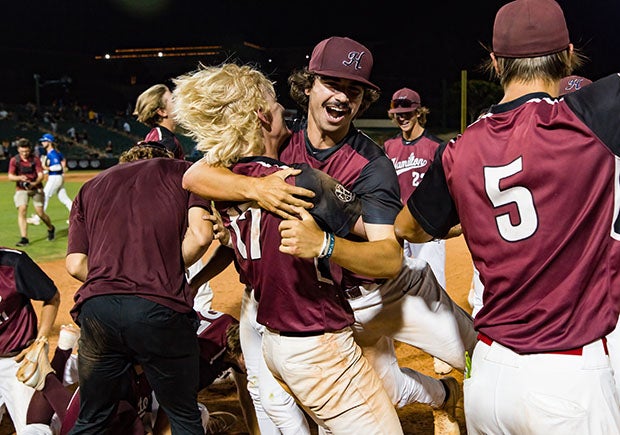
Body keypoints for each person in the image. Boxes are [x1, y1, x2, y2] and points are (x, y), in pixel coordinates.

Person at [181, 38, 475, 433]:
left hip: (387, 292)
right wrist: (257, 191)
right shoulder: (277, 146)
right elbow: (195, 174)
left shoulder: (373, 164)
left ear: (362, 101)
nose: (341, 97)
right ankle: (444, 396)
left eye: (353, 90)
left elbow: (387, 257)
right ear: (308, 86)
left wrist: (325, 242)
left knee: (477, 355)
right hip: (329, 307)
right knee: (386, 390)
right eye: (331, 84)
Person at [394, 0, 620, 433]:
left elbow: (408, 227)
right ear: (569, 54)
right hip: (565, 380)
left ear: (495, 62)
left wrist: (474, 206)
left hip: (488, 378)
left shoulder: (460, 149)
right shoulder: (592, 117)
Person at [174, 62, 404, 434]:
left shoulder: (224, 182)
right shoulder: (300, 180)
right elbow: (390, 255)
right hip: (317, 341)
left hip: (275, 341)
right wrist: (327, 242)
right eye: (276, 104)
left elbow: (193, 175)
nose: (284, 109)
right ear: (261, 116)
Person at [65, 141, 214, 434]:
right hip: (158, 308)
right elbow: (200, 236)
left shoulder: (91, 186)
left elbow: (74, 264)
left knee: (91, 419)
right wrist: (158, 269)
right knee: (183, 416)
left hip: (97, 310)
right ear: (166, 158)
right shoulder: (187, 173)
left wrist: (116, 275)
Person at [383, 87, 460, 376]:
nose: (402, 118)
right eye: (397, 113)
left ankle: (443, 348)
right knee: (392, 285)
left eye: (407, 112)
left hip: (427, 229)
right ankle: (387, 344)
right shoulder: (389, 148)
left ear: (418, 111)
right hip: (399, 229)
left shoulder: (435, 147)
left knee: (434, 289)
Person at [0, 246, 60, 433]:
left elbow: (52, 296)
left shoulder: (13, 263)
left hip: (17, 363)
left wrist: (40, 339)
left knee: (34, 429)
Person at [7, 138, 55, 246]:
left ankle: (50, 228)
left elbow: (41, 175)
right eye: (22, 151)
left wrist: (34, 183)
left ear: (30, 150)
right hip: (21, 189)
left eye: (27, 151)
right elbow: (10, 176)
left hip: (36, 188)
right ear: (18, 149)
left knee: (40, 213)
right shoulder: (14, 160)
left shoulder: (35, 159)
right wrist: (20, 178)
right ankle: (24, 238)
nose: (24, 153)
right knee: (22, 210)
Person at [134, 83, 185, 160]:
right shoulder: (166, 143)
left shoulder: (156, 135)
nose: (178, 103)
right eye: (173, 100)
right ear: (162, 111)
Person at [40, 133, 73, 220]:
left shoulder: (52, 153)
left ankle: (39, 217)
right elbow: (62, 162)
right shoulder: (54, 152)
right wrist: (45, 171)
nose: (42, 143)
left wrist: (46, 168)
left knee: (45, 195)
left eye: (44, 141)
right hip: (57, 176)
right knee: (64, 198)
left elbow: (57, 167)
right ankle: (77, 214)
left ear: (49, 142)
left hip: (55, 177)